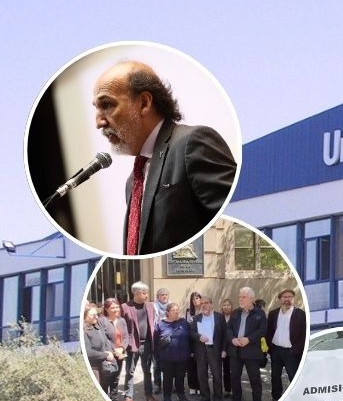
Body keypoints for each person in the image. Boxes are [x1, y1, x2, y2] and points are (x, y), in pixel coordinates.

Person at [92, 61, 237, 255]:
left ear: (144, 103)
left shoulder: (191, 143)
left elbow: (237, 217)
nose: (99, 122)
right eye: (96, 108)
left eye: (107, 105)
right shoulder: (133, 182)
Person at [227, 286, 267, 401]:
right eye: (239, 296)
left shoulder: (259, 313)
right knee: (234, 377)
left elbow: (262, 330)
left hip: (252, 351)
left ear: (251, 299)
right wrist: (232, 339)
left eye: (243, 297)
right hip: (236, 350)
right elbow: (228, 329)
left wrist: (249, 339)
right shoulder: (235, 313)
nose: (240, 299)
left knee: (254, 378)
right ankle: (236, 400)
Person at [121, 281, 159, 401]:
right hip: (132, 344)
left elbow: (155, 322)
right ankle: (128, 396)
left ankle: (149, 394)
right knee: (130, 371)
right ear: (136, 293)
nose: (146, 295)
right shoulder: (125, 307)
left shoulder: (150, 306)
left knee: (147, 370)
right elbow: (122, 326)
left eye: (146, 293)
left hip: (147, 343)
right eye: (144, 293)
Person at [266, 288, 307, 401]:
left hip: (291, 352)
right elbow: (269, 331)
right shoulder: (273, 314)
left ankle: (298, 400)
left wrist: (297, 350)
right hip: (276, 350)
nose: (287, 299)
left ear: (293, 299)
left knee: (293, 376)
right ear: (280, 299)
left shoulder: (300, 314)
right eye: (285, 297)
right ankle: (276, 400)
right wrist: (269, 348)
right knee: (275, 377)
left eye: (290, 297)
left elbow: (303, 334)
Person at [193, 296, 227, 401]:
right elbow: (191, 332)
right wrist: (199, 337)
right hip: (201, 350)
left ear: (211, 304)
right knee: (202, 375)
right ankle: (205, 397)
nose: (204, 305)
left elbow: (225, 335)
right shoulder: (197, 318)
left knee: (217, 375)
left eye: (206, 303)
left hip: (215, 350)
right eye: (202, 303)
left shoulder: (219, 317)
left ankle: (218, 398)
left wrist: (224, 349)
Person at [155, 302, 192, 401]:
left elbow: (190, 337)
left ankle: (181, 394)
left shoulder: (184, 323)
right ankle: (167, 396)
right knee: (168, 378)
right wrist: (157, 354)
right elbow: (156, 341)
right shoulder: (161, 324)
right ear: (167, 312)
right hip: (167, 357)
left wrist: (191, 351)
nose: (176, 312)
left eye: (177, 310)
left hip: (182, 356)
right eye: (173, 310)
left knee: (180, 377)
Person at [83, 303, 118, 400]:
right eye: (93, 315)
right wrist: (105, 355)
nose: (96, 317)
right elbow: (88, 352)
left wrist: (111, 352)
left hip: (105, 367)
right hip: (95, 369)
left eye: (97, 314)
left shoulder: (98, 327)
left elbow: (106, 341)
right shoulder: (84, 331)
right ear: (85, 316)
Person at [100, 297, 129, 401]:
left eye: (117, 307)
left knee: (116, 379)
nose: (116, 309)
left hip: (119, 355)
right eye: (113, 308)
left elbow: (126, 336)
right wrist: (114, 350)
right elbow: (104, 338)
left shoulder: (122, 321)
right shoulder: (102, 321)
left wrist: (121, 348)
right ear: (106, 309)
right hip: (108, 355)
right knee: (106, 380)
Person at [185, 291, 203, 394]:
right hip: (191, 340)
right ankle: (192, 386)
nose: (195, 301)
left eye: (197, 298)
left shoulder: (204, 310)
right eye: (193, 299)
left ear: (200, 299)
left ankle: (200, 386)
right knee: (191, 364)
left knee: (200, 364)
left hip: (201, 340)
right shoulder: (188, 311)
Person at [219, 298, 234, 399]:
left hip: (233, 348)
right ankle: (227, 389)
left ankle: (235, 390)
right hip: (222, 348)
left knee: (235, 370)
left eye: (228, 305)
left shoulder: (235, 317)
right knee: (226, 369)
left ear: (231, 307)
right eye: (224, 305)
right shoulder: (219, 318)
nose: (226, 307)